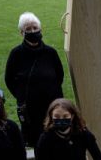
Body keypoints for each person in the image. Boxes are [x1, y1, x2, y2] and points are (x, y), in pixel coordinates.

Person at [4, 12, 64, 150]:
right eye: (28, 29)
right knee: (39, 144)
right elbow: (9, 79)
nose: (32, 31)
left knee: (57, 139)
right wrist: (22, 96)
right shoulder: (16, 54)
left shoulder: (51, 52)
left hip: (52, 105)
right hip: (30, 109)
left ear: (40, 29)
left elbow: (59, 76)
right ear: (22, 33)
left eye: (35, 28)